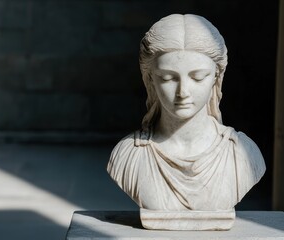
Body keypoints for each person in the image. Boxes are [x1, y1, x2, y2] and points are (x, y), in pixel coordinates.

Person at [107, 14, 266, 212]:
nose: (183, 92)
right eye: (167, 78)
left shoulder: (243, 154)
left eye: (197, 77)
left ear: (216, 78)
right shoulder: (129, 154)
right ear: (150, 80)